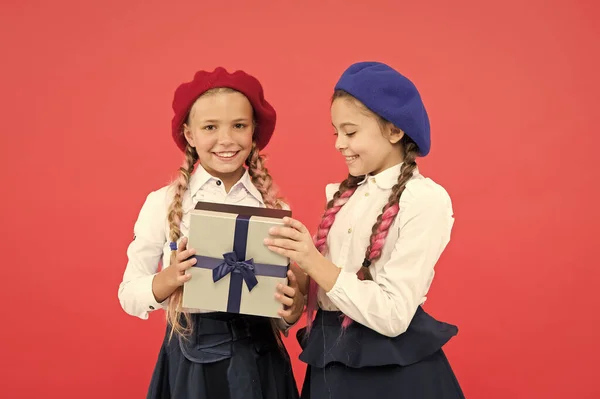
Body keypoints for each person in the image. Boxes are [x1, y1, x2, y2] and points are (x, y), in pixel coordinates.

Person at [264, 61, 465, 398]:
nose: (339, 144)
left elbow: (394, 314)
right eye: (335, 132)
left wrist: (314, 262)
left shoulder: (423, 200)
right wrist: (295, 279)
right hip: (333, 370)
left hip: (390, 377)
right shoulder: (344, 197)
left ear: (394, 131)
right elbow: (331, 288)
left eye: (351, 131)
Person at [118, 67, 302, 399]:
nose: (226, 140)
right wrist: (171, 278)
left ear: (254, 132)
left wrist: (292, 309)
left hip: (262, 361)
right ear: (190, 135)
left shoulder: (272, 205)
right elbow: (129, 294)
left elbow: (283, 304)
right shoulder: (163, 203)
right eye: (210, 127)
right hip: (193, 364)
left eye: (239, 126)